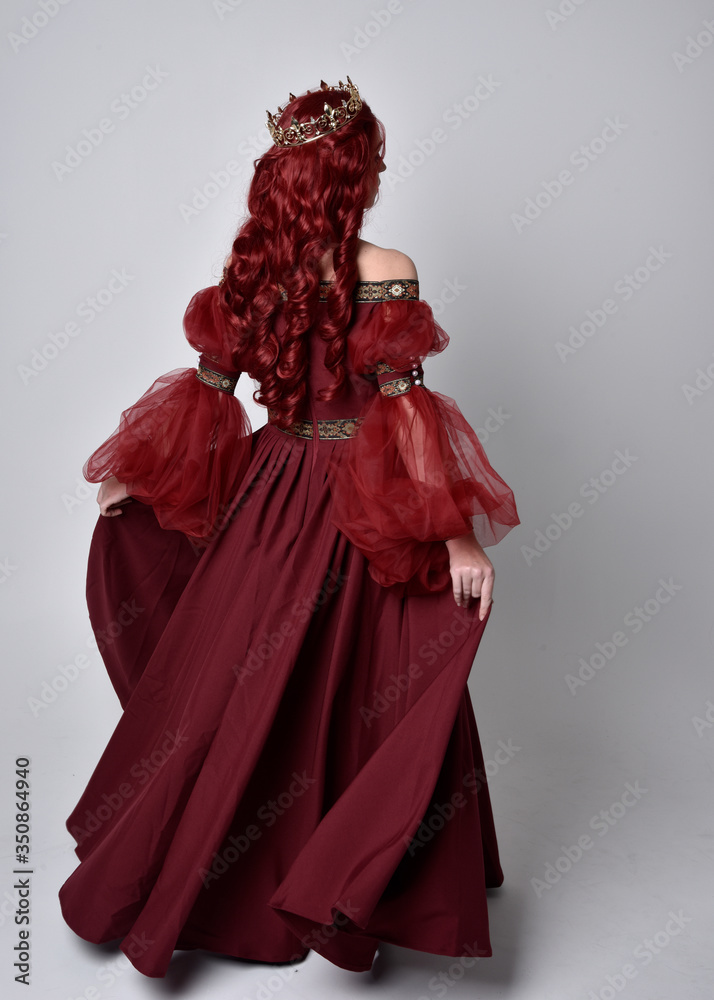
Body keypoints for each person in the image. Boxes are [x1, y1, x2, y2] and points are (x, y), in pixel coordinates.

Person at [59, 77, 520, 978]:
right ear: (351, 173)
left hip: (272, 492)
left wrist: (133, 475)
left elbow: (208, 390)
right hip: (356, 495)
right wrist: (453, 532)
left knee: (247, 677)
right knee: (381, 671)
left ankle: (269, 862)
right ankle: (359, 877)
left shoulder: (252, 273)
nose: (380, 175)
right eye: (372, 162)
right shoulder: (382, 269)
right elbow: (406, 414)